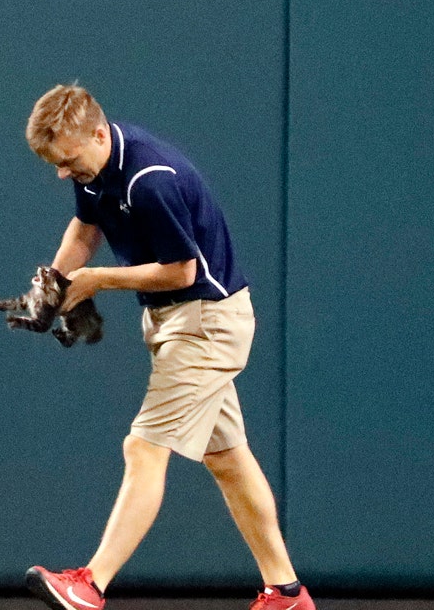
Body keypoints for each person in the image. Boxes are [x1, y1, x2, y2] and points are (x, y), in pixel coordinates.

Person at [18, 84, 315, 610]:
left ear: (96, 133)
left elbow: (183, 270)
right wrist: (55, 282)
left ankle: (91, 584)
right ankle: (286, 592)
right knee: (227, 459)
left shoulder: (150, 179)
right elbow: (86, 228)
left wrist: (95, 282)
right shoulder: (93, 166)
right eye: (55, 165)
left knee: (144, 447)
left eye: (67, 161)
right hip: (176, 320)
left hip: (206, 322)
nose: (63, 173)